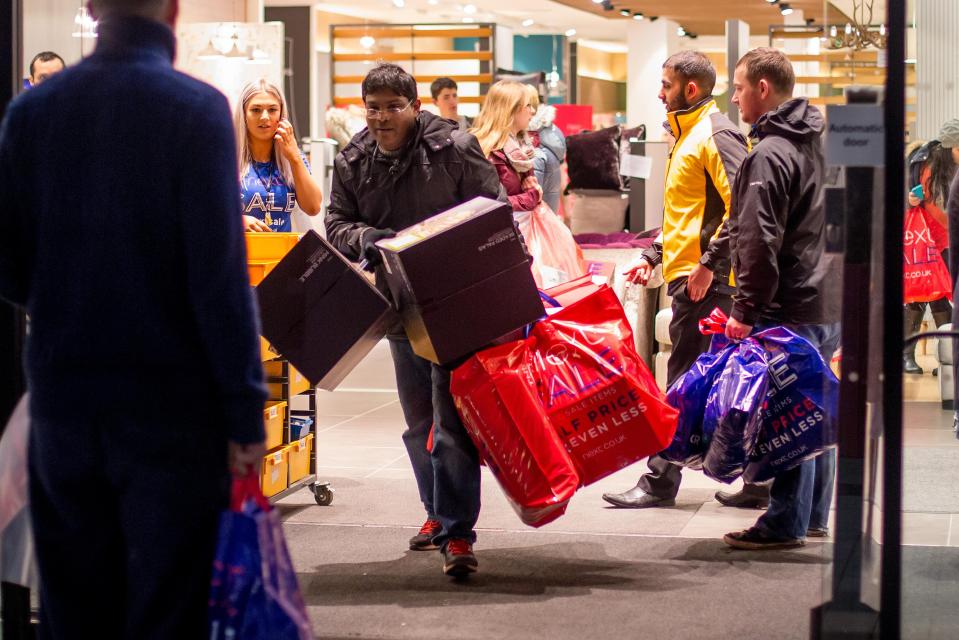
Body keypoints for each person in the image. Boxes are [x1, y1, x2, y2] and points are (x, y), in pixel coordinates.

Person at [0, 0, 268, 635]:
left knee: (73, 605)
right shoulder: (196, 111)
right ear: (173, 10)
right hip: (171, 407)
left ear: (91, 10)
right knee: (168, 605)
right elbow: (218, 281)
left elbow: (10, 271)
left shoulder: (31, 112)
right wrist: (245, 409)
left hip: (65, 399)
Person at [325, 63, 505, 577]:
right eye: (374, 107)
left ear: (415, 107)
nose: (382, 117)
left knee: (451, 423)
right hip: (398, 306)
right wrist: (367, 239)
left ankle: (458, 535)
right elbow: (335, 223)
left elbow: (491, 206)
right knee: (418, 422)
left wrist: (443, 239)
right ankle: (435, 514)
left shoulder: (454, 147)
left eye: (393, 106)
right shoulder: (353, 159)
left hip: (454, 301)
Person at [600, 51, 763, 510]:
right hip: (698, 279)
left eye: (666, 84)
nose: (659, 92)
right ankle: (757, 482)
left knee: (686, 384)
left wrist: (711, 262)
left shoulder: (715, 134)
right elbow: (689, 216)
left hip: (710, 285)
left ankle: (660, 481)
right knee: (724, 382)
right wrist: (654, 254)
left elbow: (742, 208)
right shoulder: (688, 135)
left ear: (690, 89)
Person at [721, 47, 840, 550]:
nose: (734, 96)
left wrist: (745, 309)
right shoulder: (822, 142)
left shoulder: (769, 152)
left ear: (763, 88)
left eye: (739, 86)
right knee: (816, 406)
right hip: (826, 295)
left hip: (791, 301)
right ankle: (812, 515)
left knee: (790, 412)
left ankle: (785, 521)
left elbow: (757, 239)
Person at [903, 120, 959, 373]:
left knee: (943, 299)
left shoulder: (948, 164)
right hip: (924, 240)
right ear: (949, 147)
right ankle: (907, 356)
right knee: (917, 298)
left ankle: (947, 359)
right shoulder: (924, 162)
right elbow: (907, 195)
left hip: (947, 240)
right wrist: (910, 199)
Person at [236, 79, 323, 233]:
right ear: (244, 115)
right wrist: (238, 220)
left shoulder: (292, 157)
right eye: (256, 110)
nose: (264, 117)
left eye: (272, 110)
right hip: (241, 255)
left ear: (281, 114)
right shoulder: (229, 157)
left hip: (283, 255)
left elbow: (313, 207)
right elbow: (205, 207)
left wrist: (294, 157)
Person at [471, 80, 543, 219]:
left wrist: (534, 192)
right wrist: (532, 196)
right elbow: (487, 205)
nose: (533, 111)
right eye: (528, 105)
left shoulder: (522, 147)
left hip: (520, 229)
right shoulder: (483, 150)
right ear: (512, 109)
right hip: (499, 234)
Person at [525, 84, 567, 214]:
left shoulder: (534, 148)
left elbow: (531, 200)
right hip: (548, 216)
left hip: (535, 223)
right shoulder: (552, 134)